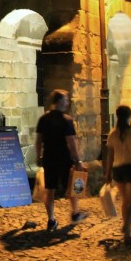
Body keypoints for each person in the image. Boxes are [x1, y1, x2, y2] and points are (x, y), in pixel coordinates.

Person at [35, 89, 88, 231]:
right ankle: (75, 213)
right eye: (65, 99)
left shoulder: (43, 119)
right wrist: (78, 160)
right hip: (64, 158)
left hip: (49, 158)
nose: (67, 102)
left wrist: (39, 156)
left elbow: (38, 140)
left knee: (50, 189)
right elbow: (71, 142)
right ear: (59, 101)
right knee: (72, 187)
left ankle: (51, 220)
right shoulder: (66, 120)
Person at [103, 105, 131, 246]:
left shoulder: (112, 134)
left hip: (118, 171)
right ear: (129, 116)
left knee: (126, 201)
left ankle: (128, 235)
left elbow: (110, 156)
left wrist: (108, 173)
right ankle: (126, 226)